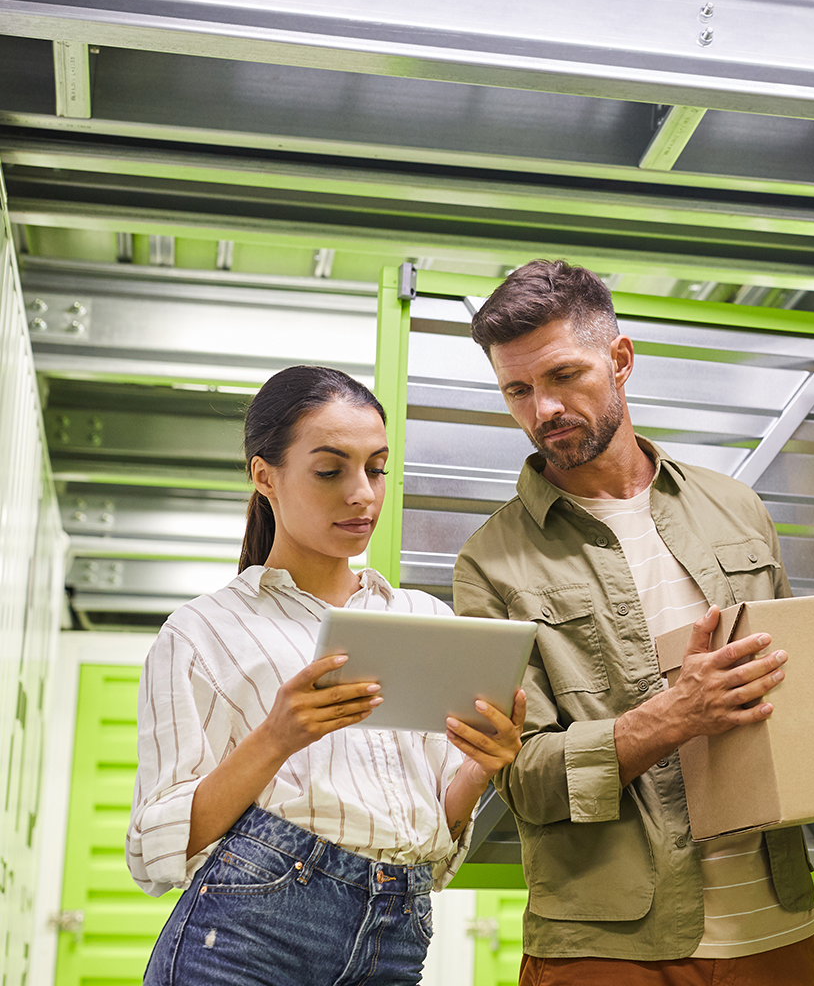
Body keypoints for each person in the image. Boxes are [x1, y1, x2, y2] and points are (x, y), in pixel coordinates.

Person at [452, 260, 814, 986]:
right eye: (518, 390)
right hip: (606, 944)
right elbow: (523, 778)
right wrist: (674, 716)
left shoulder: (735, 509)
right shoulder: (490, 563)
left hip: (773, 928)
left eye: (563, 376)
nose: (543, 410)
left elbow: (788, 689)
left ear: (620, 360)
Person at [127, 365, 526, 986]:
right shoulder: (203, 633)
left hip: (394, 936)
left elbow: (437, 829)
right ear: (266, 477)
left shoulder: (425, 620)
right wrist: (277, 737)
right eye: (330, 470)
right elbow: (154, 848)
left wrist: (483, 764)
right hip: (249, 936)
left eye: (377, 468)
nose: (363, 493)